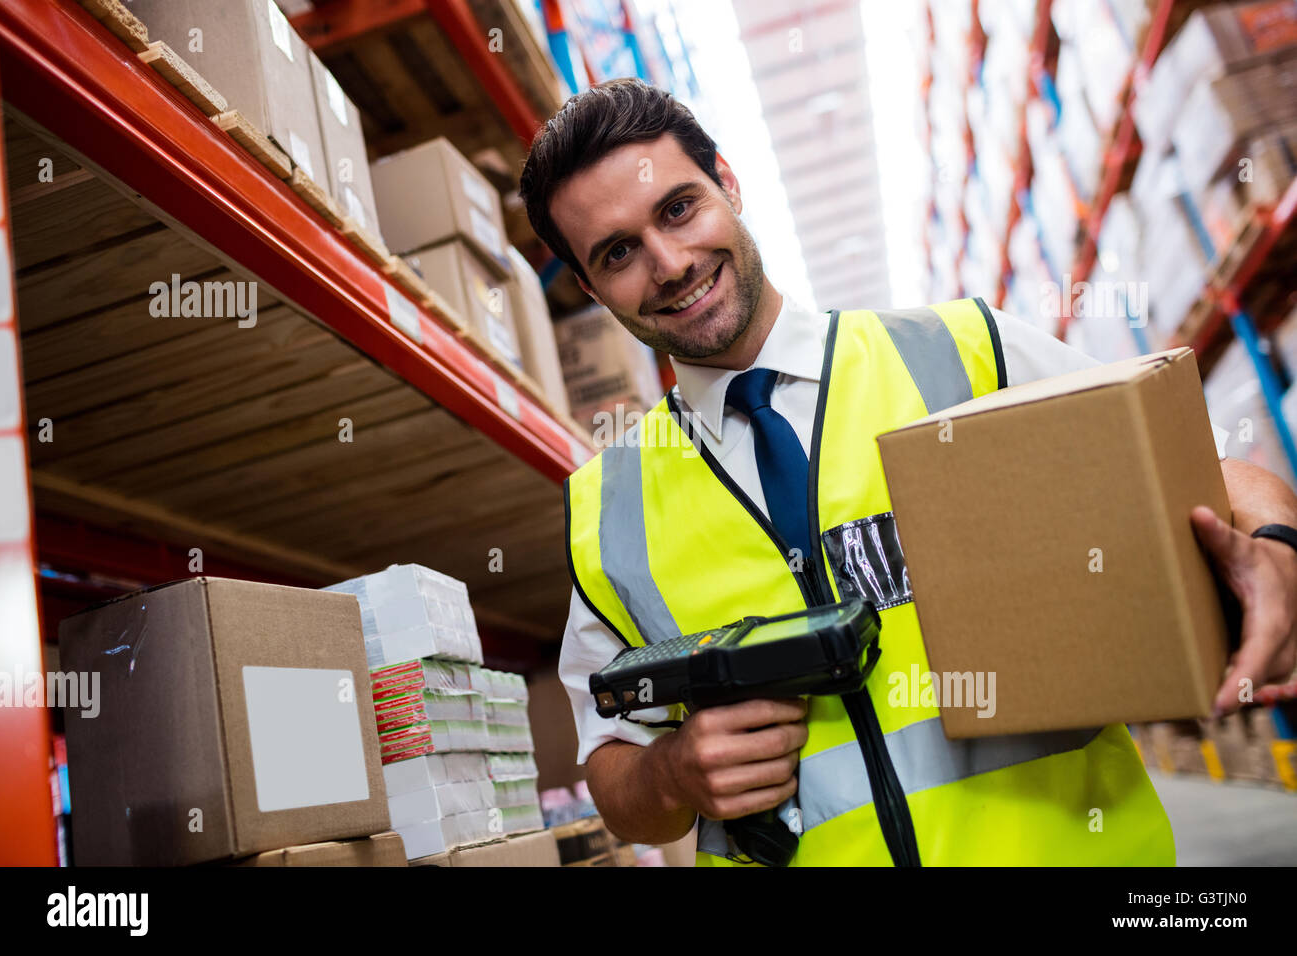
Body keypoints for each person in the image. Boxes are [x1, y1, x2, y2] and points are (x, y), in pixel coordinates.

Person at [519, 78, 1297, 866]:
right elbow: (616, 775)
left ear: (728, 181)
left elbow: (1202, 470)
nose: (670, 262)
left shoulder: (963, 352)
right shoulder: (607, 508)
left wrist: (1276, 545)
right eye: (617, 253)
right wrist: (671, 773)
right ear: (588, 287)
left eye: (680, 207)